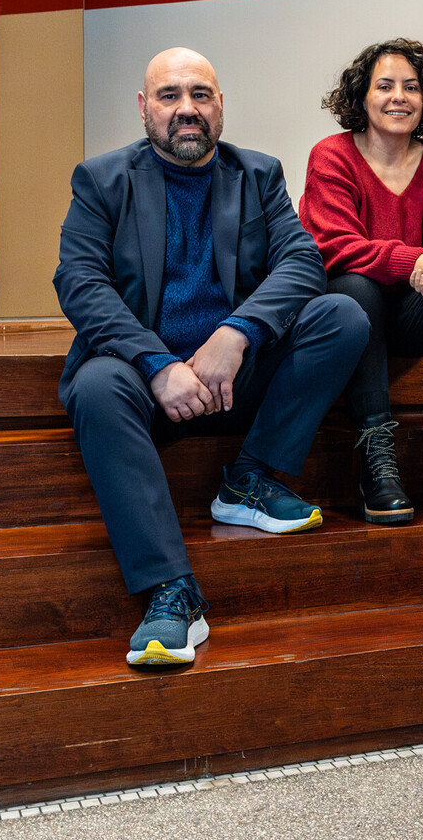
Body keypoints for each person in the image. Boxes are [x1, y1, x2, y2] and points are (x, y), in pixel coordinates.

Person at [53, 47, 369, 668]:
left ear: (220, 105)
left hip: (234, 381)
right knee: (95, 386)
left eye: (200, 95)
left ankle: (250, 478)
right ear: (145, 109)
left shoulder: (259, 174)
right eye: (169, 96)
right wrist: (157, 365)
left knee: (343, 315)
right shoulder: (101, 180)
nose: (186, 109)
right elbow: (80, 282)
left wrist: (237, 332)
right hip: (147, 387)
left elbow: (303, 261)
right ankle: (171, 589)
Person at [299, 38, 423, 525]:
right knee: (356, 290)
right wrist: (413, 262)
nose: (398, 97)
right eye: (384, 86)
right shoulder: (332, 156)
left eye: (411, 87)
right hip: (347, 318)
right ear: (361, 98)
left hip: (406, 319)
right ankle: (374, 452)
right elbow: (330, 246)